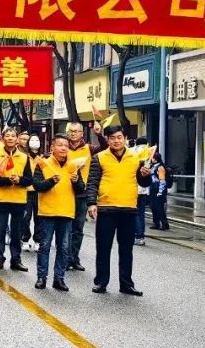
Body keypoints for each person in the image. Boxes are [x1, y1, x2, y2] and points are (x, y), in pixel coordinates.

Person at [87, 125, 152, 296]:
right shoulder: (99, 157)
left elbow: (144, 182)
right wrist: (91, 203)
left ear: (125, 138)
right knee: (103, 248)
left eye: (119, 137)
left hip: (128, 209)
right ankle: (101, 282)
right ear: (108, 140)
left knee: (126, 250)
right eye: (112, 138)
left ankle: (126, 284)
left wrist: (146, 174)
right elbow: (92, 182)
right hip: (106, 209)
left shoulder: (136, 157)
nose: (116, 141)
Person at [32, 135, 81, 291]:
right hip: (47, 212)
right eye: (60, 145)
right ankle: (41, 277)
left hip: (66, 212)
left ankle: (59, 279)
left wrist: (76, 182)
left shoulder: (73, 165)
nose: (63, 148)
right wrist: (51, 181)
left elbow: (81, 189)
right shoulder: (43, 163)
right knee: (44, 246)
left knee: (64, 248)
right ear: (52, 147)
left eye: (66, 145)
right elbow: (37, 185)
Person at [0, 126, 31, 272]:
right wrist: (8, 181)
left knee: (16, 232)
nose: (10, 138)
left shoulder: (24, 157)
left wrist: (19, 180)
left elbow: (29, 179)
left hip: (19, 199)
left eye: (13, 136)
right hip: (0, 198)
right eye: (7, 135)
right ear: (2, 138)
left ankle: (16, 259)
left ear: (17, 139)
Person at [65, 121, 97, 272]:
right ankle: (65, 258)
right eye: (71, 131)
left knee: (78, 228)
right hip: (65, 192)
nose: (73, 133)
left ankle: (74, 258)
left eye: (76, 131)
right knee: (66, 228)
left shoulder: (89, 148)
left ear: (82, 133)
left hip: (82, 193)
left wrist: (99, 133)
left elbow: (105, 148)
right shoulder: (63, 147)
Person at [22, 132, 45, 250]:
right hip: (26, 191)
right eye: (32, 140)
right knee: (25, 217)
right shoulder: (24, 157)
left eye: (37, 140)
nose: (35, 142)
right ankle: (25, 239)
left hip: (40, 191)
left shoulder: (44, 158)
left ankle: (38, 240)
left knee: (39, 218)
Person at [133, 137, 151, 247]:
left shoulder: (132, 151)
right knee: (141, 214)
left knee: (134, 213)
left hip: (134, 188)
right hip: (144, 189)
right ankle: (140, 236)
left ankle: (136, 235)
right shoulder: (148, 152)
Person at [148, 151, 172, 231]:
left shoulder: (160, 167)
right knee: (153, 207)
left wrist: (160, 191)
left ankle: (164, 224)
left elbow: (162, 180)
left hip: (158, 188)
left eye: (152, 157)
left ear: (155, 159)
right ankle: (156, 223)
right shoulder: (153, 166)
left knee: (159, 207)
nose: (151, 159)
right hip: (153, 188)